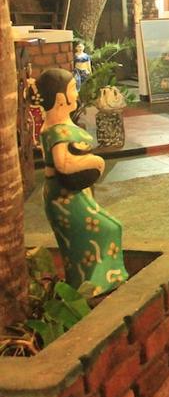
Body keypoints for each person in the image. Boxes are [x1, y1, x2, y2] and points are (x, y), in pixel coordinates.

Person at [36, 68, 128, 296]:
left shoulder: (55, 125)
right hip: (66, 196)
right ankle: (94, 284)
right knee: (106, 229)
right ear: (60, 99)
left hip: (72, 194)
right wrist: (95, 162)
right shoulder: (57, 131)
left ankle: (97, 279)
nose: (77, 94)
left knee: (91, 236)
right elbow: (63, 164)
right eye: (73, 90)